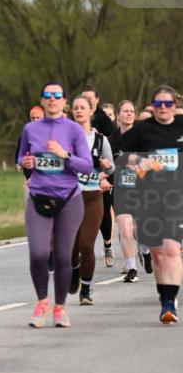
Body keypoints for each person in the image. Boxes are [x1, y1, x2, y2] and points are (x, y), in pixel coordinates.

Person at [18, 80, 93, 327]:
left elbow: (87, 166)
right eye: (47, 95)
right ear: (42, 100)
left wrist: (65, 155)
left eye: (57, 95)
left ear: (64, 102)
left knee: (62, 256)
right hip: (38, 197)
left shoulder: (73, 130)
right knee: (39, 253)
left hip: (69, 200)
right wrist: (26, 163)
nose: (52, 99)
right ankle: (42, 302)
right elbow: (21, 157)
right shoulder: (30, 129)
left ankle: (60, 308)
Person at [120, 84, 183, 324]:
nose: (163, 108)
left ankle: (170, 301)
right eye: (158, 104)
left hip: (176, 197)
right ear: (152, 106)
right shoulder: (143, 130)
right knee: (157, 255)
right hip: (149, 199)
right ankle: (163, 294)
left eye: (168, 104)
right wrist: (138, 161)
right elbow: (121, 154)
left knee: (172, 250)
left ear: (174, 105)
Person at [68, 96, 114, 305]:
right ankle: (75, 270)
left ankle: (85, 290)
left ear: (90, 112)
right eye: (75, 108)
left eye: (82, 108)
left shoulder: (100, 140)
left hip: (93, 196)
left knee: (86, 244)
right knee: (70, 247)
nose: (79, 111)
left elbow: (112, 168)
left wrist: (106, 166)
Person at [109, 100, 145, 282]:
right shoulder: (111, 140)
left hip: (142, 190)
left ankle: (145, 250)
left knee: (139, 231)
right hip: (121, 189)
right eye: (125, 111)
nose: (129, 114)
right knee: (125, 229)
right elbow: (106, 164)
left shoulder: (142, 137)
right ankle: (132, 269)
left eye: (132, 111)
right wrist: (105, 177)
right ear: (118, 115)